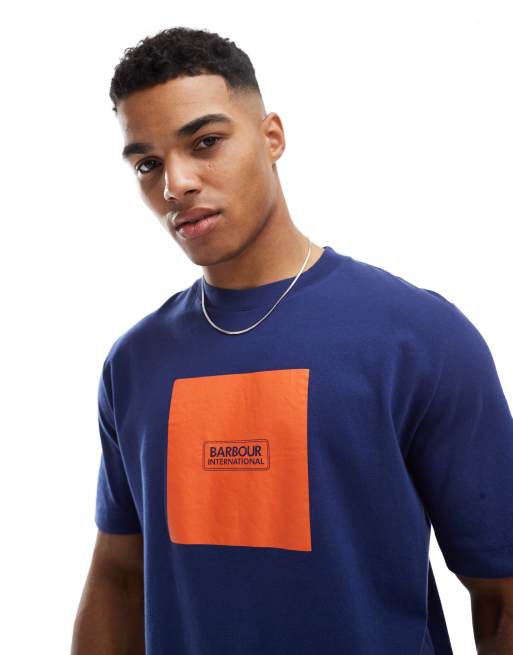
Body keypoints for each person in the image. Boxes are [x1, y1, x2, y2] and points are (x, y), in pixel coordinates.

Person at [71, 26, 513, 655]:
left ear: (272, 137)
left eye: (205, 142)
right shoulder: (135, 363)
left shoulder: (418, 337)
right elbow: (119, 581)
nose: (176, 184)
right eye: (148, 164)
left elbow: (501, 596)